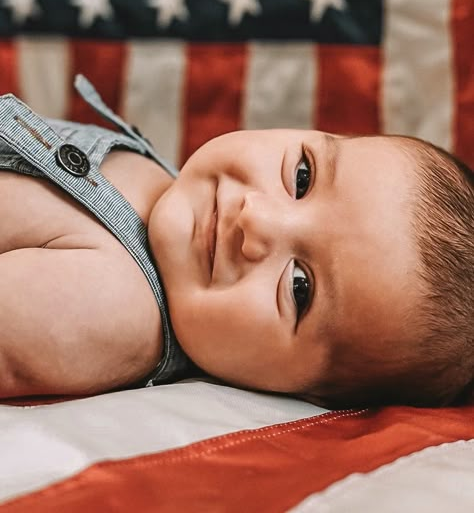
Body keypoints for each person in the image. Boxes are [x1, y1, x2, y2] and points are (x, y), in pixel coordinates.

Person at [0, 76, 472, 408]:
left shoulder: (116, 307)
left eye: (300, 287)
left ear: (304, 391)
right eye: (302, 176)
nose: (256, 220)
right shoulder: (167, 183)